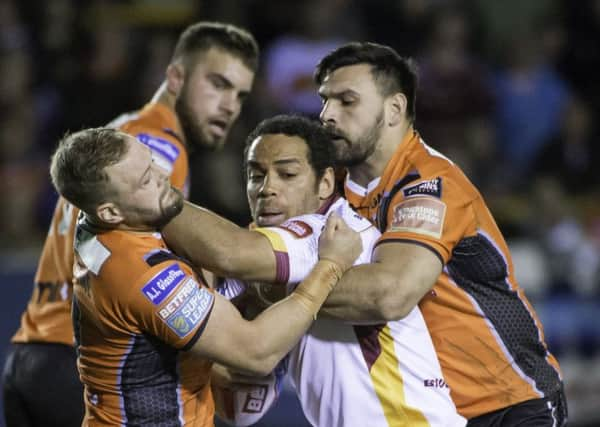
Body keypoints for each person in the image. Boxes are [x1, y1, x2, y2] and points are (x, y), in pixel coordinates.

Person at [3, 21, 258, 427]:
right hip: (83, 369)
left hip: (31, 357)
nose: (230, 105)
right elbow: (191, 258)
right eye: (217, 84)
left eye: (240, 94)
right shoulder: (154, 154)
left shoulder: (120, 132)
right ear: (175, 76)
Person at [314, 42, 567, 426]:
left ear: (394, 109)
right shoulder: (335, 193)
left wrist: (278, 288)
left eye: (347, 101)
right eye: (325, 100)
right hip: (432, 412)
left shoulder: (430, 182)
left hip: (510, 403)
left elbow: (391, 293)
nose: (327, 115)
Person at [49, 127, 360, 426]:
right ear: (110, 213)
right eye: (146, 181)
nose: (162, 175)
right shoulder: (146, 278)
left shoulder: (97, 218)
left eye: (151, 160)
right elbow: (256, 351)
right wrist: (330, 265)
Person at [205, 114, 466, 427]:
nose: (267, 188)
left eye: (287, 174)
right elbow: (243, 412)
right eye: (255, 175)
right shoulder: (261, 257)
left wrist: (162, 205)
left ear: (325, 183)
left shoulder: (328, 230)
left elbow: (228, 252)